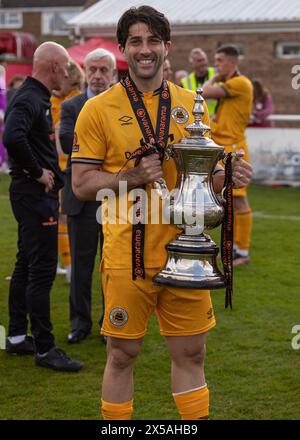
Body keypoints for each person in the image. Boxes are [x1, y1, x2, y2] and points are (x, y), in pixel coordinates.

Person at [71, 6, 252, 420]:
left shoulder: (193, 104)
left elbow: (208, 179)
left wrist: (230, 174)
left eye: (153, 40)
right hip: (127, 258)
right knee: (121, 355)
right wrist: (133, 174)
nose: (145, 49)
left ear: (167, 47)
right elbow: (82, 185)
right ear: (123, 49)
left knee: (192, 352)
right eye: (135, 41)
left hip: (189, 255)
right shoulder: (97, 109)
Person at [3, 42, 83, 372]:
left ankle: (19, 337)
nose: (67, 72)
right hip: (35, 196)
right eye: (64, 66)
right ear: (52, 66)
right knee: (42, 269)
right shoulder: (30, 97)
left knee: (26, 263)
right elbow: (11, 137)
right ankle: (45, 348)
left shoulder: (36, 96)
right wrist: (38, 172)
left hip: (32, 195)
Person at [59, 48, 117, 344]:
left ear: (113, 74)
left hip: (113, 197)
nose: (97, 75)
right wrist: (105, 143)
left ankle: (112, 323)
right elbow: (67, 141)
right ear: (84, 71)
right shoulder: (71, 106)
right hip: (81, 198)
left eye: (103, 70)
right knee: (81, 267)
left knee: (114, 266)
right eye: (92, 69)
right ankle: (79, 323)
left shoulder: (121, 106)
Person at [203, 45, 253, 266]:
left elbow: (204, 91)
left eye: (220, 60)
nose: (217, 65)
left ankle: (243, 251)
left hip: (234, 148)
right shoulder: (232, 85)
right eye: (216, 60)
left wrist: (213, 77)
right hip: (224, 147)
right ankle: (233, 247)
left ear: (233, 62)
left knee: (239, 199)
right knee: (229, 200)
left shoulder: (240, 83)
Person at [51, 60, 85, 283]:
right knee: (54, 217)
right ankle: (60, 261)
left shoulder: (76, 101)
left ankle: (70, 263)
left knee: (64, 218)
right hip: (53, 167)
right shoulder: (53, 100)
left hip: (70, 169)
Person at [181, 48, 217, 115]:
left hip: (216, 120)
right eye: (199, 61)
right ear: (192, 64)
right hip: (197, 122)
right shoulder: (185, 82)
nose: (203, 63)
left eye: (204, 60)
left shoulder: (217, 73)